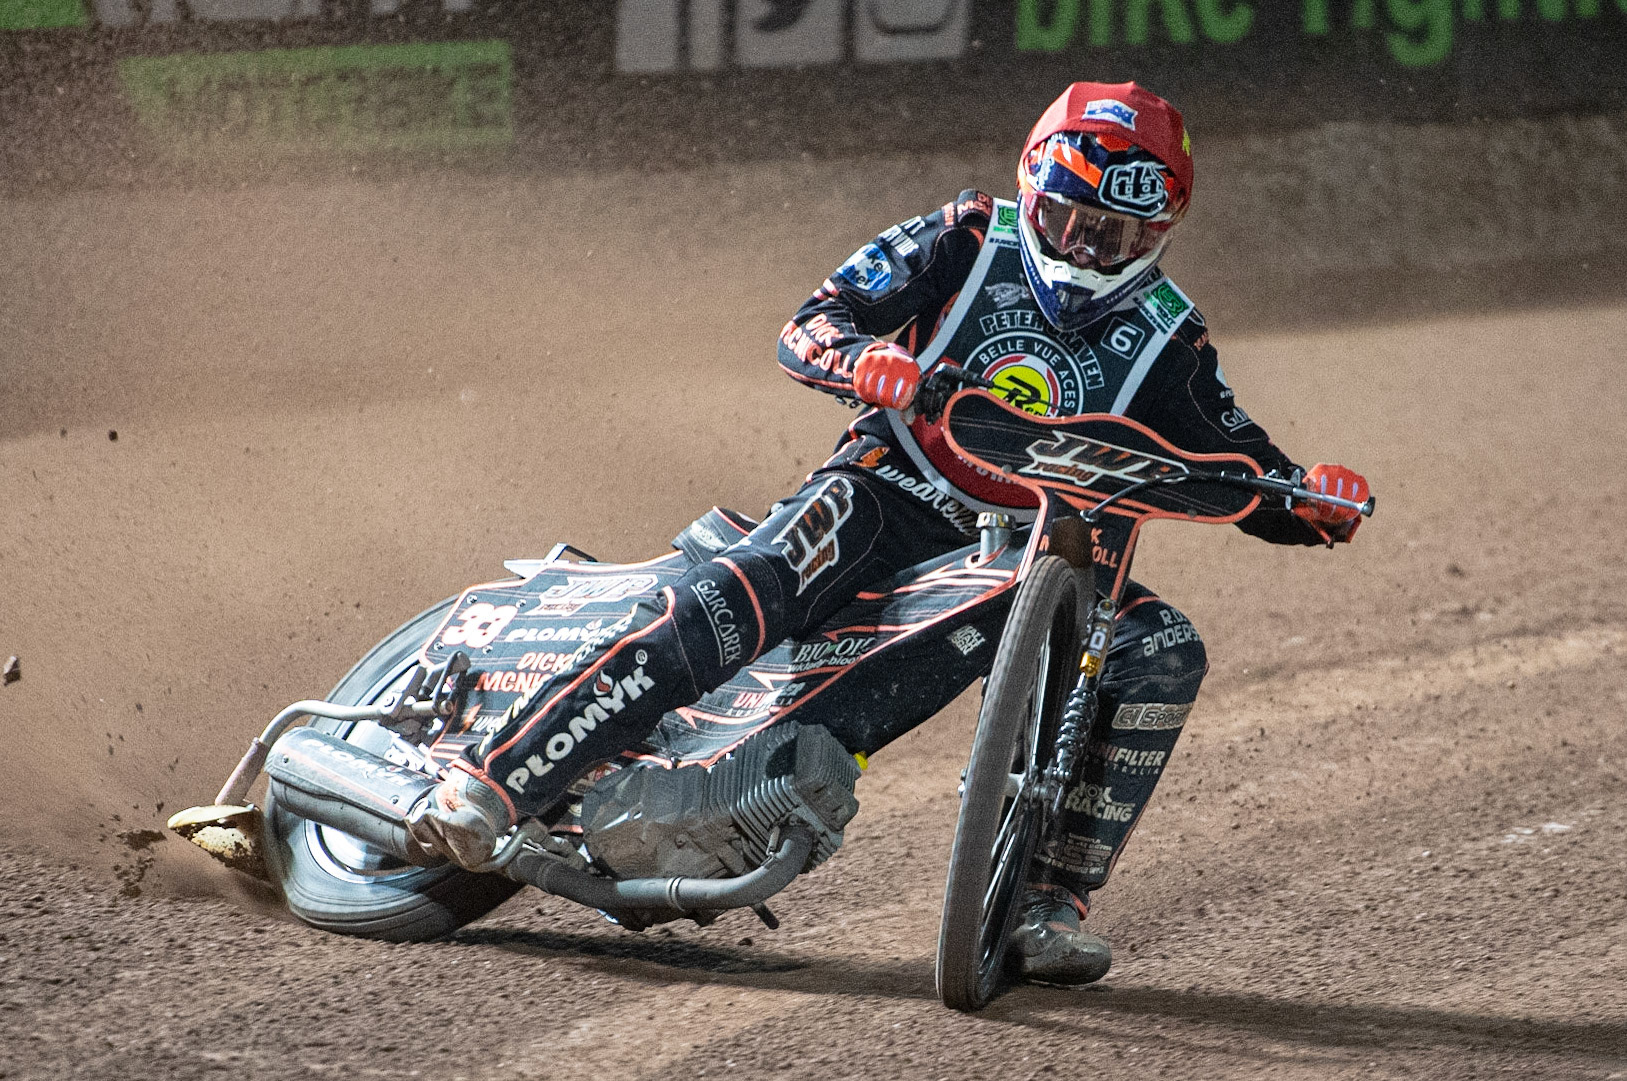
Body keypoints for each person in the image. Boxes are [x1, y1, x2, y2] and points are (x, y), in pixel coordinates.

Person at [408, 81, 1369, 986]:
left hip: (1029, 546)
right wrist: (866, 360)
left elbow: (1239, 466)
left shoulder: (1170, 338)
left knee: (1161, 649)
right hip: (887, 488)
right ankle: (499, 772)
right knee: (762, 577)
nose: (1085, 246)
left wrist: (1312, 502)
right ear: (1034, 184)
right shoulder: (963, 236)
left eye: (1116, 234)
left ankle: (1047, 905)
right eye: (1070, 219)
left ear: (1159, 232)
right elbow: (811, 322)